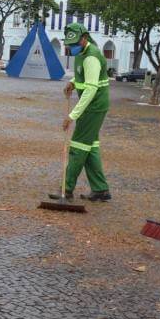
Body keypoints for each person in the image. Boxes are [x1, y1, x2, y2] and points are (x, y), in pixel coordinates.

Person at [49, 22, 111, 202]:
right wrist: (73, 82)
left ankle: (66, 190)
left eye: (75, 44)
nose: (72, 48)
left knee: (77, 146)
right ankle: (100, 190)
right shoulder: (82, 53)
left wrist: (72, 116)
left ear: (84, 38)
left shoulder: (91, 56)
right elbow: (84, 75)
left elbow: (91, 89)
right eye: (70, 45)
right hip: (92, 105)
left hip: (94, 106)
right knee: (90, 147)